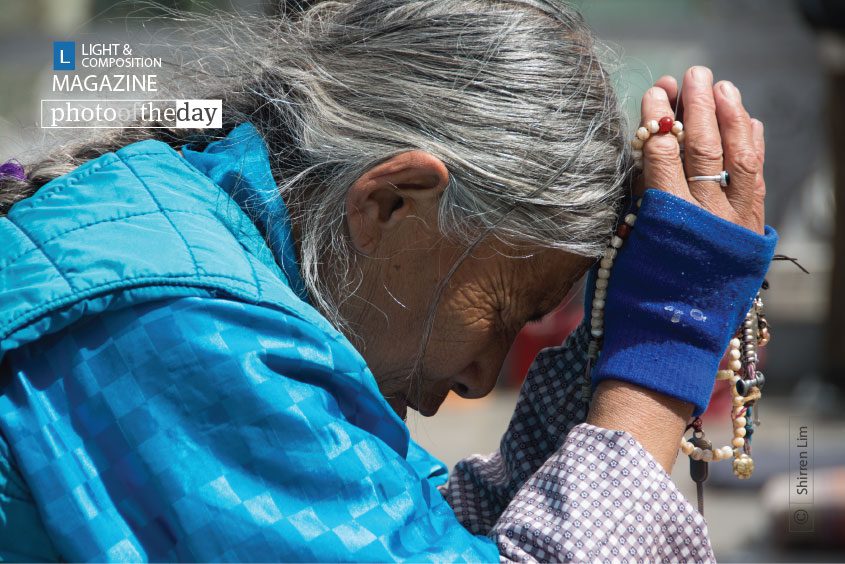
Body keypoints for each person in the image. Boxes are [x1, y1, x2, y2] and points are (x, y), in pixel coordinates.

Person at [0, 1, 776, 561]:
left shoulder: (193, 243)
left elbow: (406, 531)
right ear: (392, 203)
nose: (478, 381)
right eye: (503, 312)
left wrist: (608, 357)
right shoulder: (180, 329)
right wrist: (661, 354)